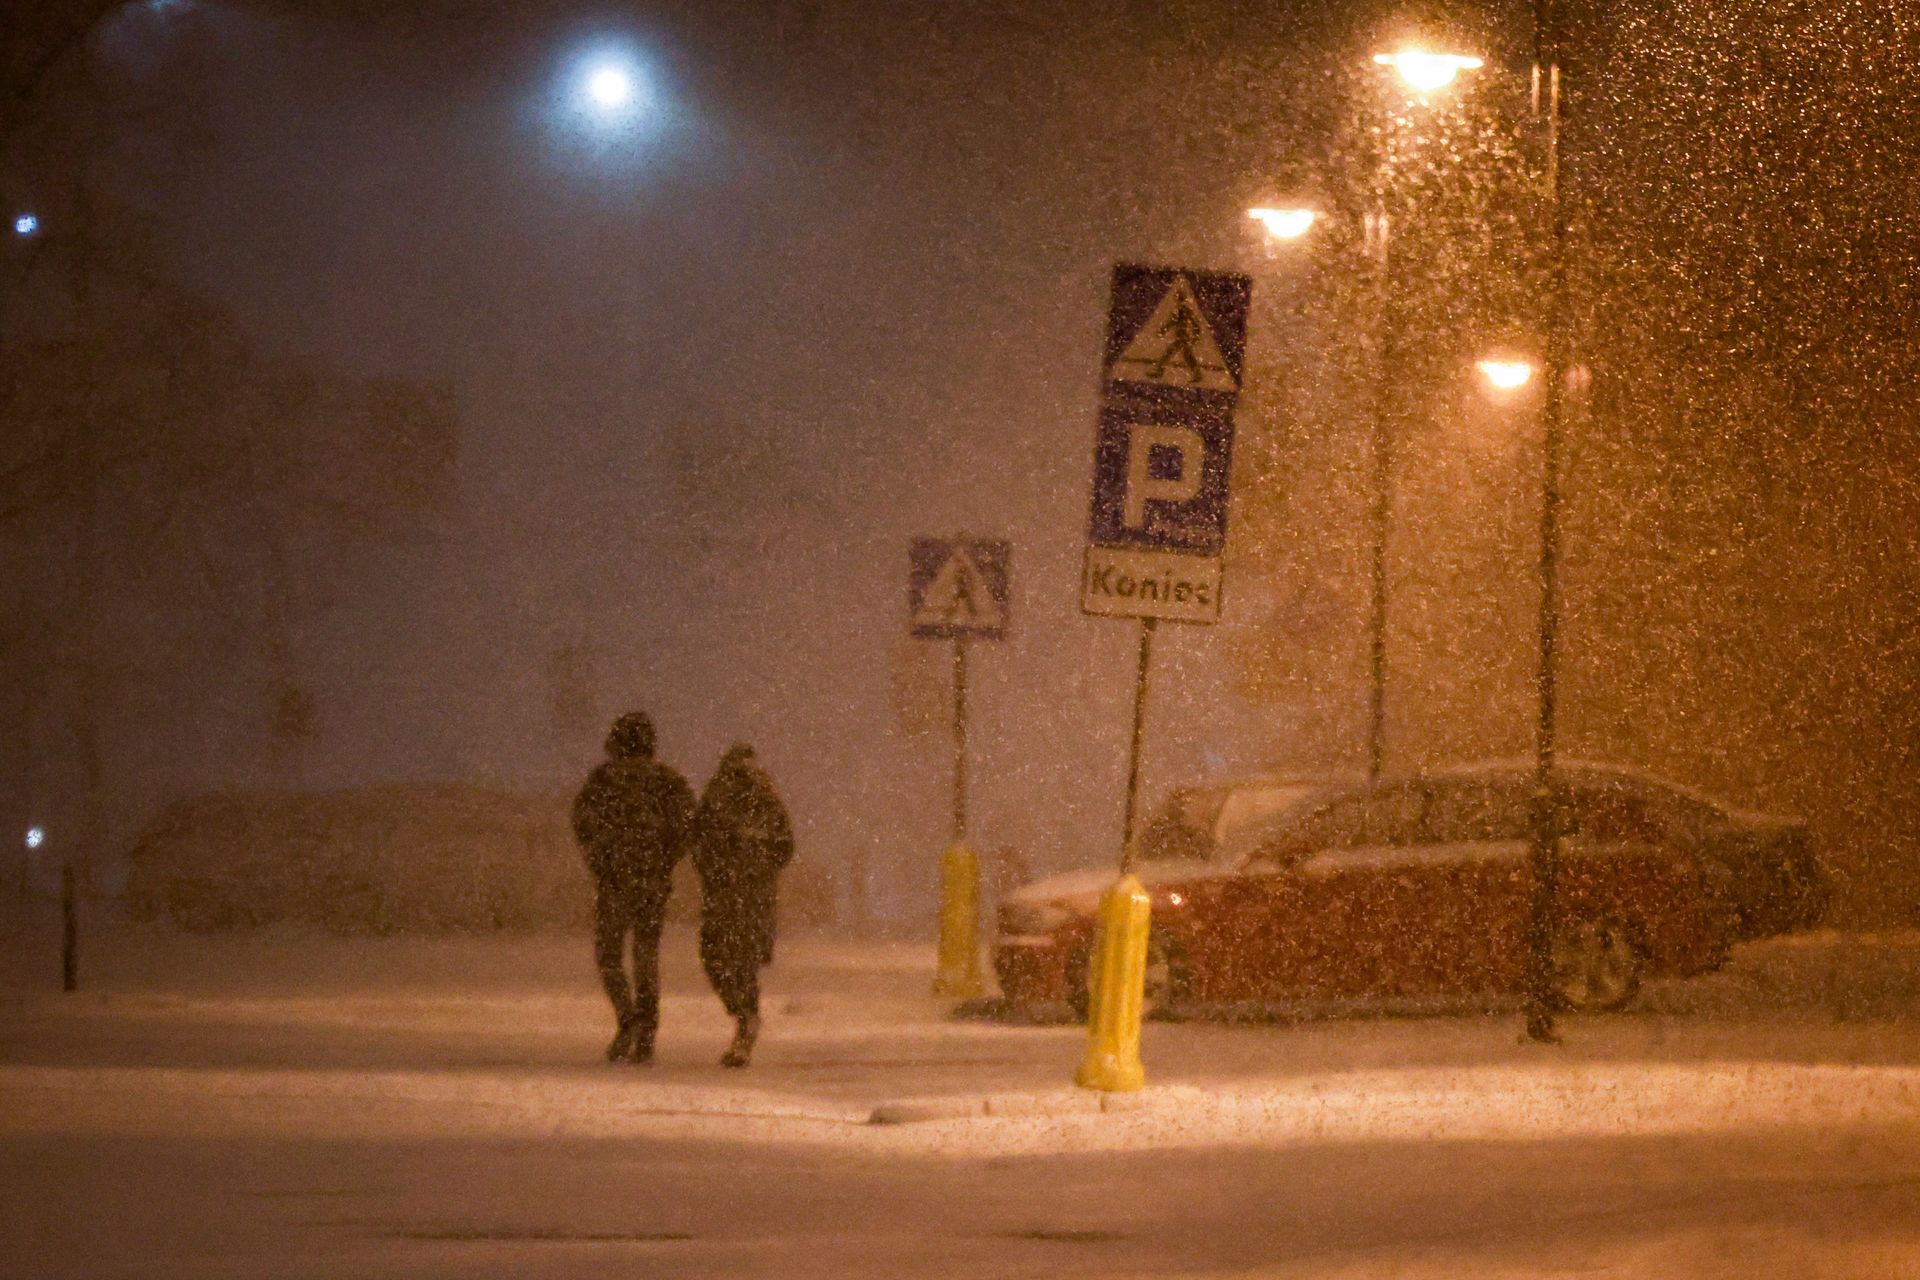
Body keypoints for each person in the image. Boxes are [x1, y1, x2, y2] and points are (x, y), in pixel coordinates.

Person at [572, 711, 694, 1065]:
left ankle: (627, 1017)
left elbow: (584, 825)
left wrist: (604, 862)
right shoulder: (667, 781)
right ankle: (647, 1031)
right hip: (653, 883)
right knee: (646, 955)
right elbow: (687, 826)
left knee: (609, 955)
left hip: (614, 883)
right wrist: (664, 860)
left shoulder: (602, 781)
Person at [692, 744, 794, 1068]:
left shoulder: (726, 797)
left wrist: (726, 870)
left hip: (734, 896)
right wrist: (757, 868)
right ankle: (745, 1018)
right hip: (745, 896)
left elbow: (700, 842)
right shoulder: (761, 800)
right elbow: (784, 846)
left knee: (725, 959)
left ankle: (743, 1020)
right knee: (734, 961)